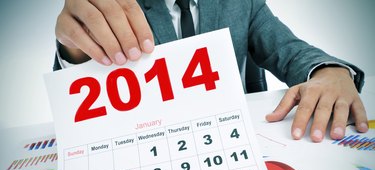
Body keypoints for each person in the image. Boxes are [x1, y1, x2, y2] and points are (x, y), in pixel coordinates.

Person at [53, 0, 368, 143]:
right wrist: (77, 51)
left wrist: (329, 71)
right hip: (153, 144)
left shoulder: (242, 4)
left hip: (236, 142)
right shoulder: (116, 6)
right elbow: (80, 103)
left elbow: (287, 48)